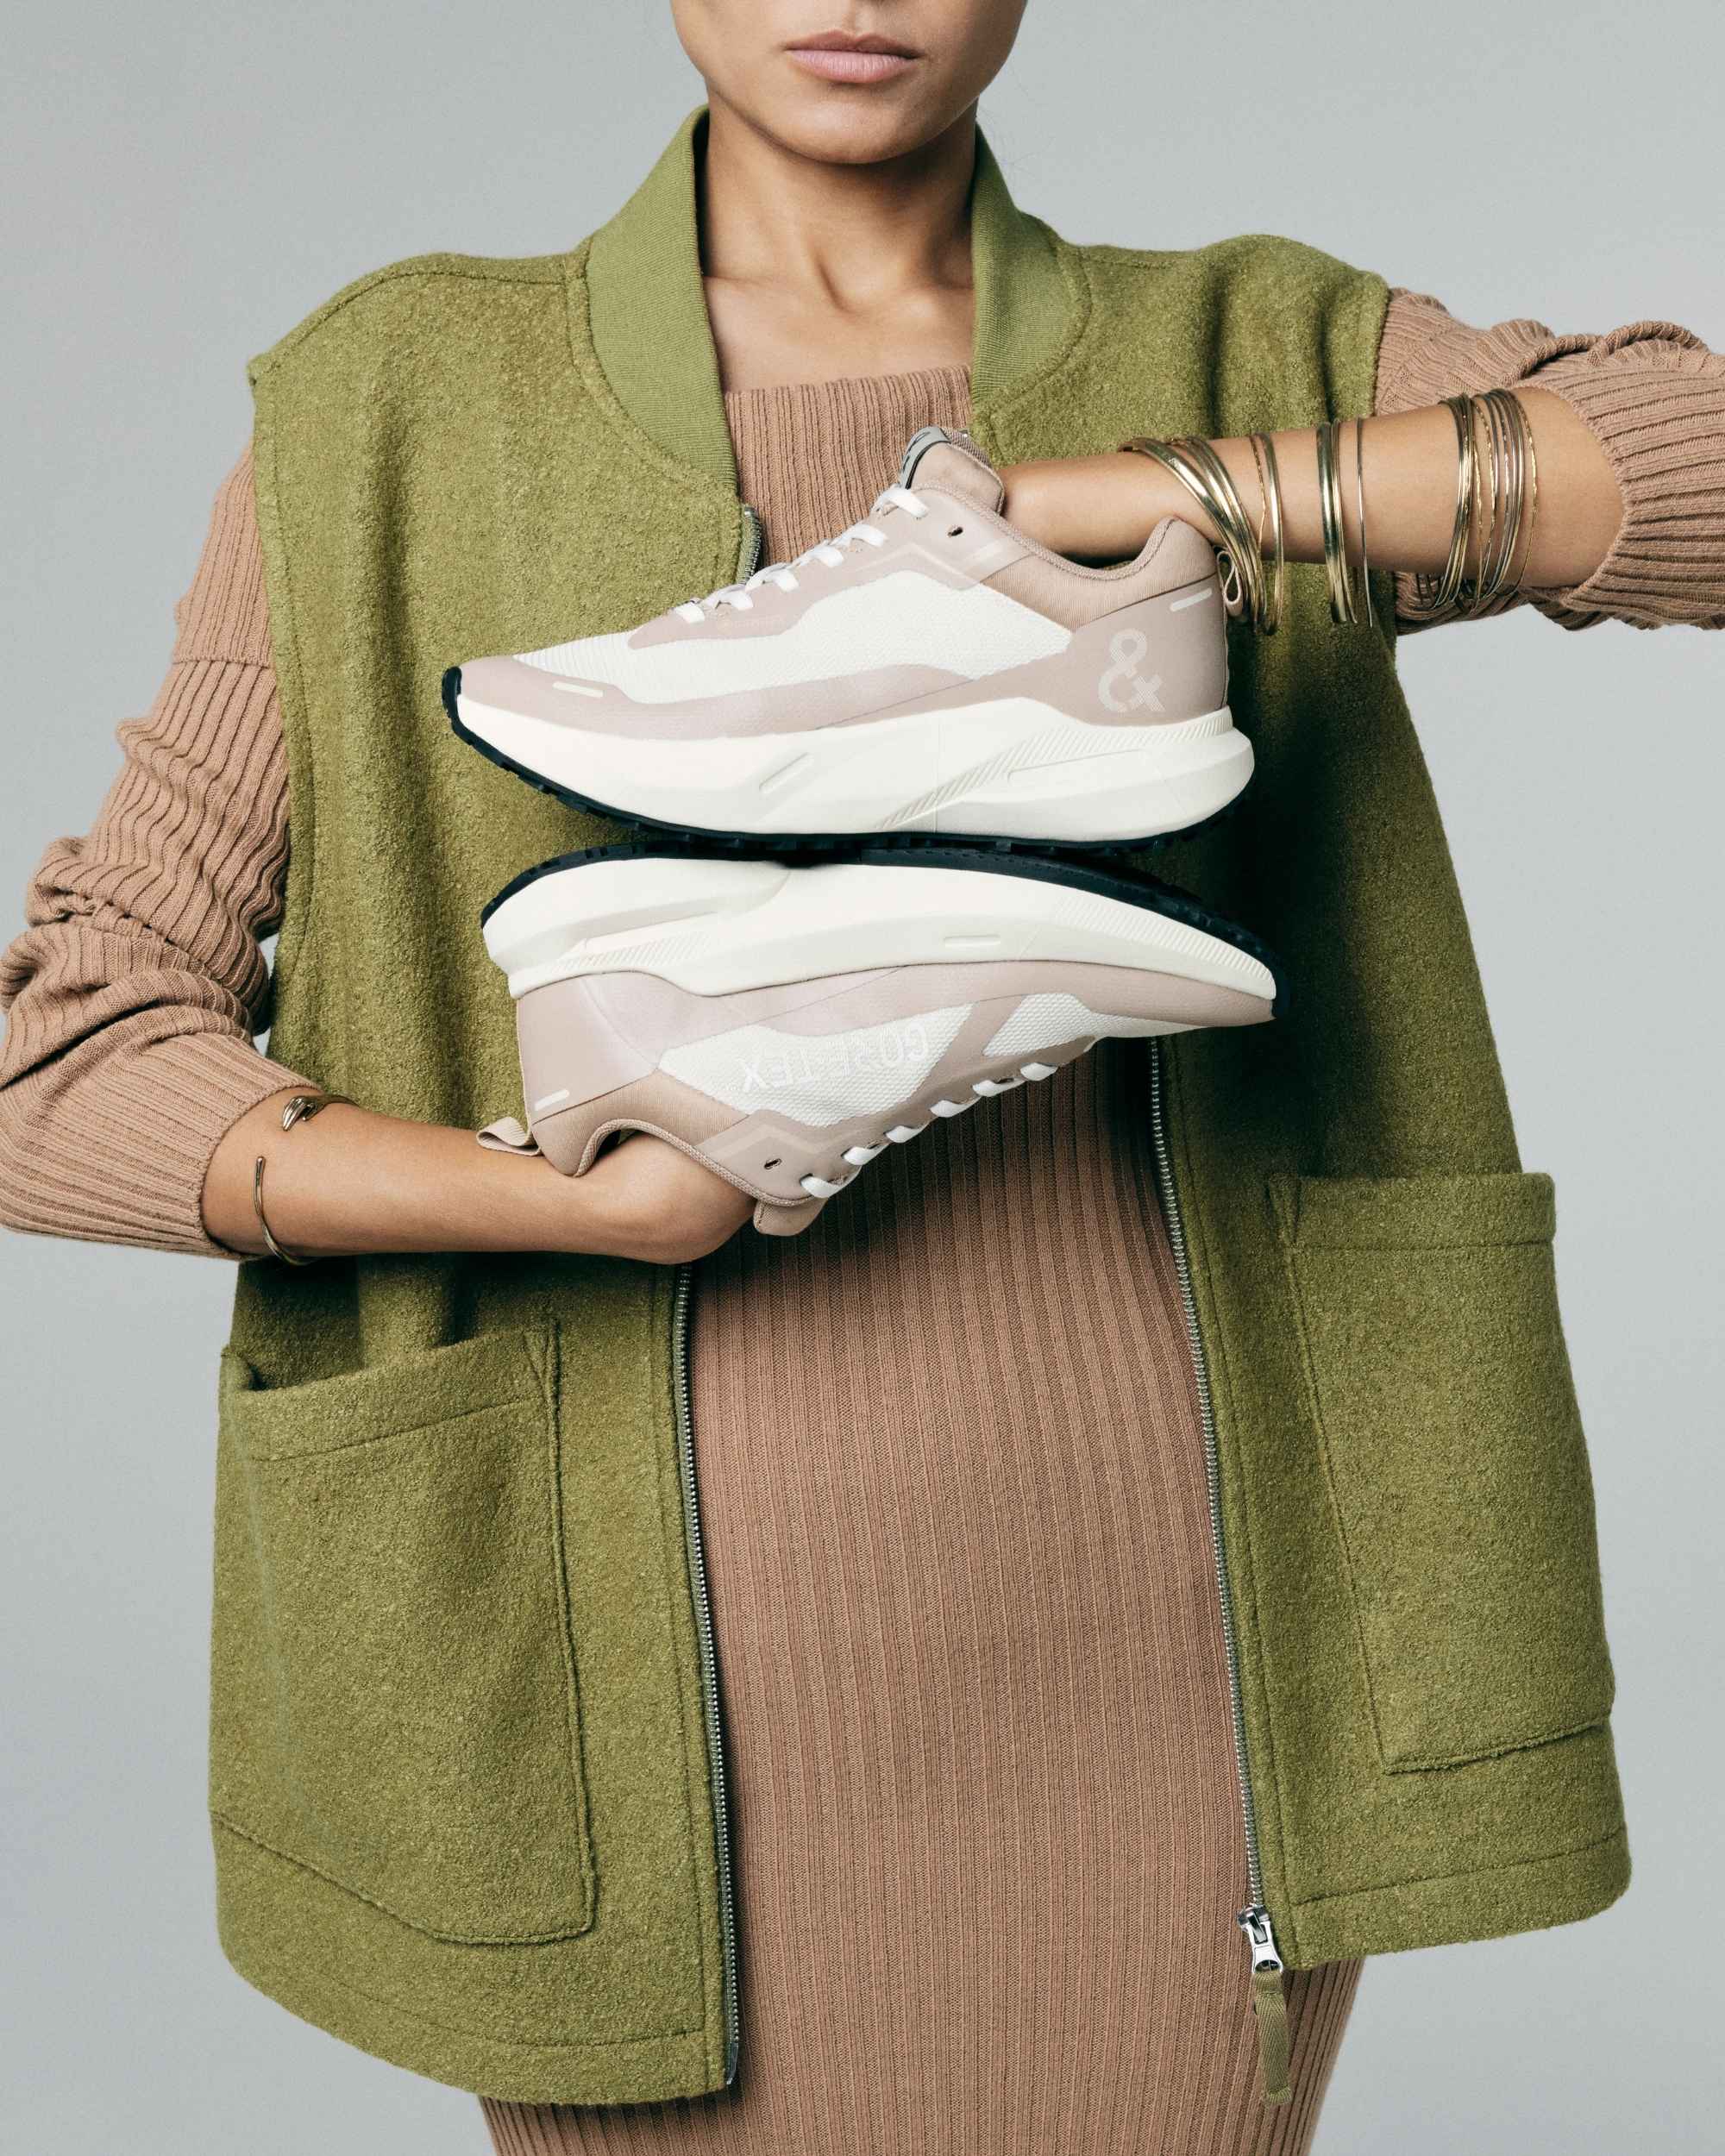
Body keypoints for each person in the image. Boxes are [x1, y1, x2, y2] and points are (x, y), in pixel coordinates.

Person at [3, 4, 1721, 2151]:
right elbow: (56, 1051)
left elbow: (1696, 458)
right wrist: (551, 1193)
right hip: (612, 1710)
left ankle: (978, 644)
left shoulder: (1245, 339)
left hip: (1186, 1650)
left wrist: (1129, 509)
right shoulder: (392, 402)